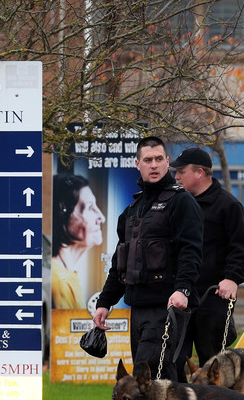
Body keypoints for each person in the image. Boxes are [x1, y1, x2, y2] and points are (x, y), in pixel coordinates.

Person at [91, 136, 204, 381]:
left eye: (159, 159)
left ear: (167, 162)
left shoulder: (181, 202)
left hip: (168, 307)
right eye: (148, 160)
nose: (154, 165)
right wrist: (104, 303)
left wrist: (183, 289)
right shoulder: (131, 212)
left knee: (149, 380)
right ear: (137, 164)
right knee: (161, 381)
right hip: (139, 308)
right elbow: (120, 264)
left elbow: (191, 251)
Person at [170, 147, 244, 381]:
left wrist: (232, 278)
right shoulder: (178, 204)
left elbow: (243, 247)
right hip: (182, 295)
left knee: (214, 364)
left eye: (181, 171)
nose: (176, 176)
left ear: (199, 172)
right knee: (174, 359)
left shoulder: (228, 206)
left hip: (213, 298)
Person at [52, 173, 107, 309]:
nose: (101, 217)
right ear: (63, 215)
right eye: (89, 208)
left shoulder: (66, 275)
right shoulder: (56, 281)